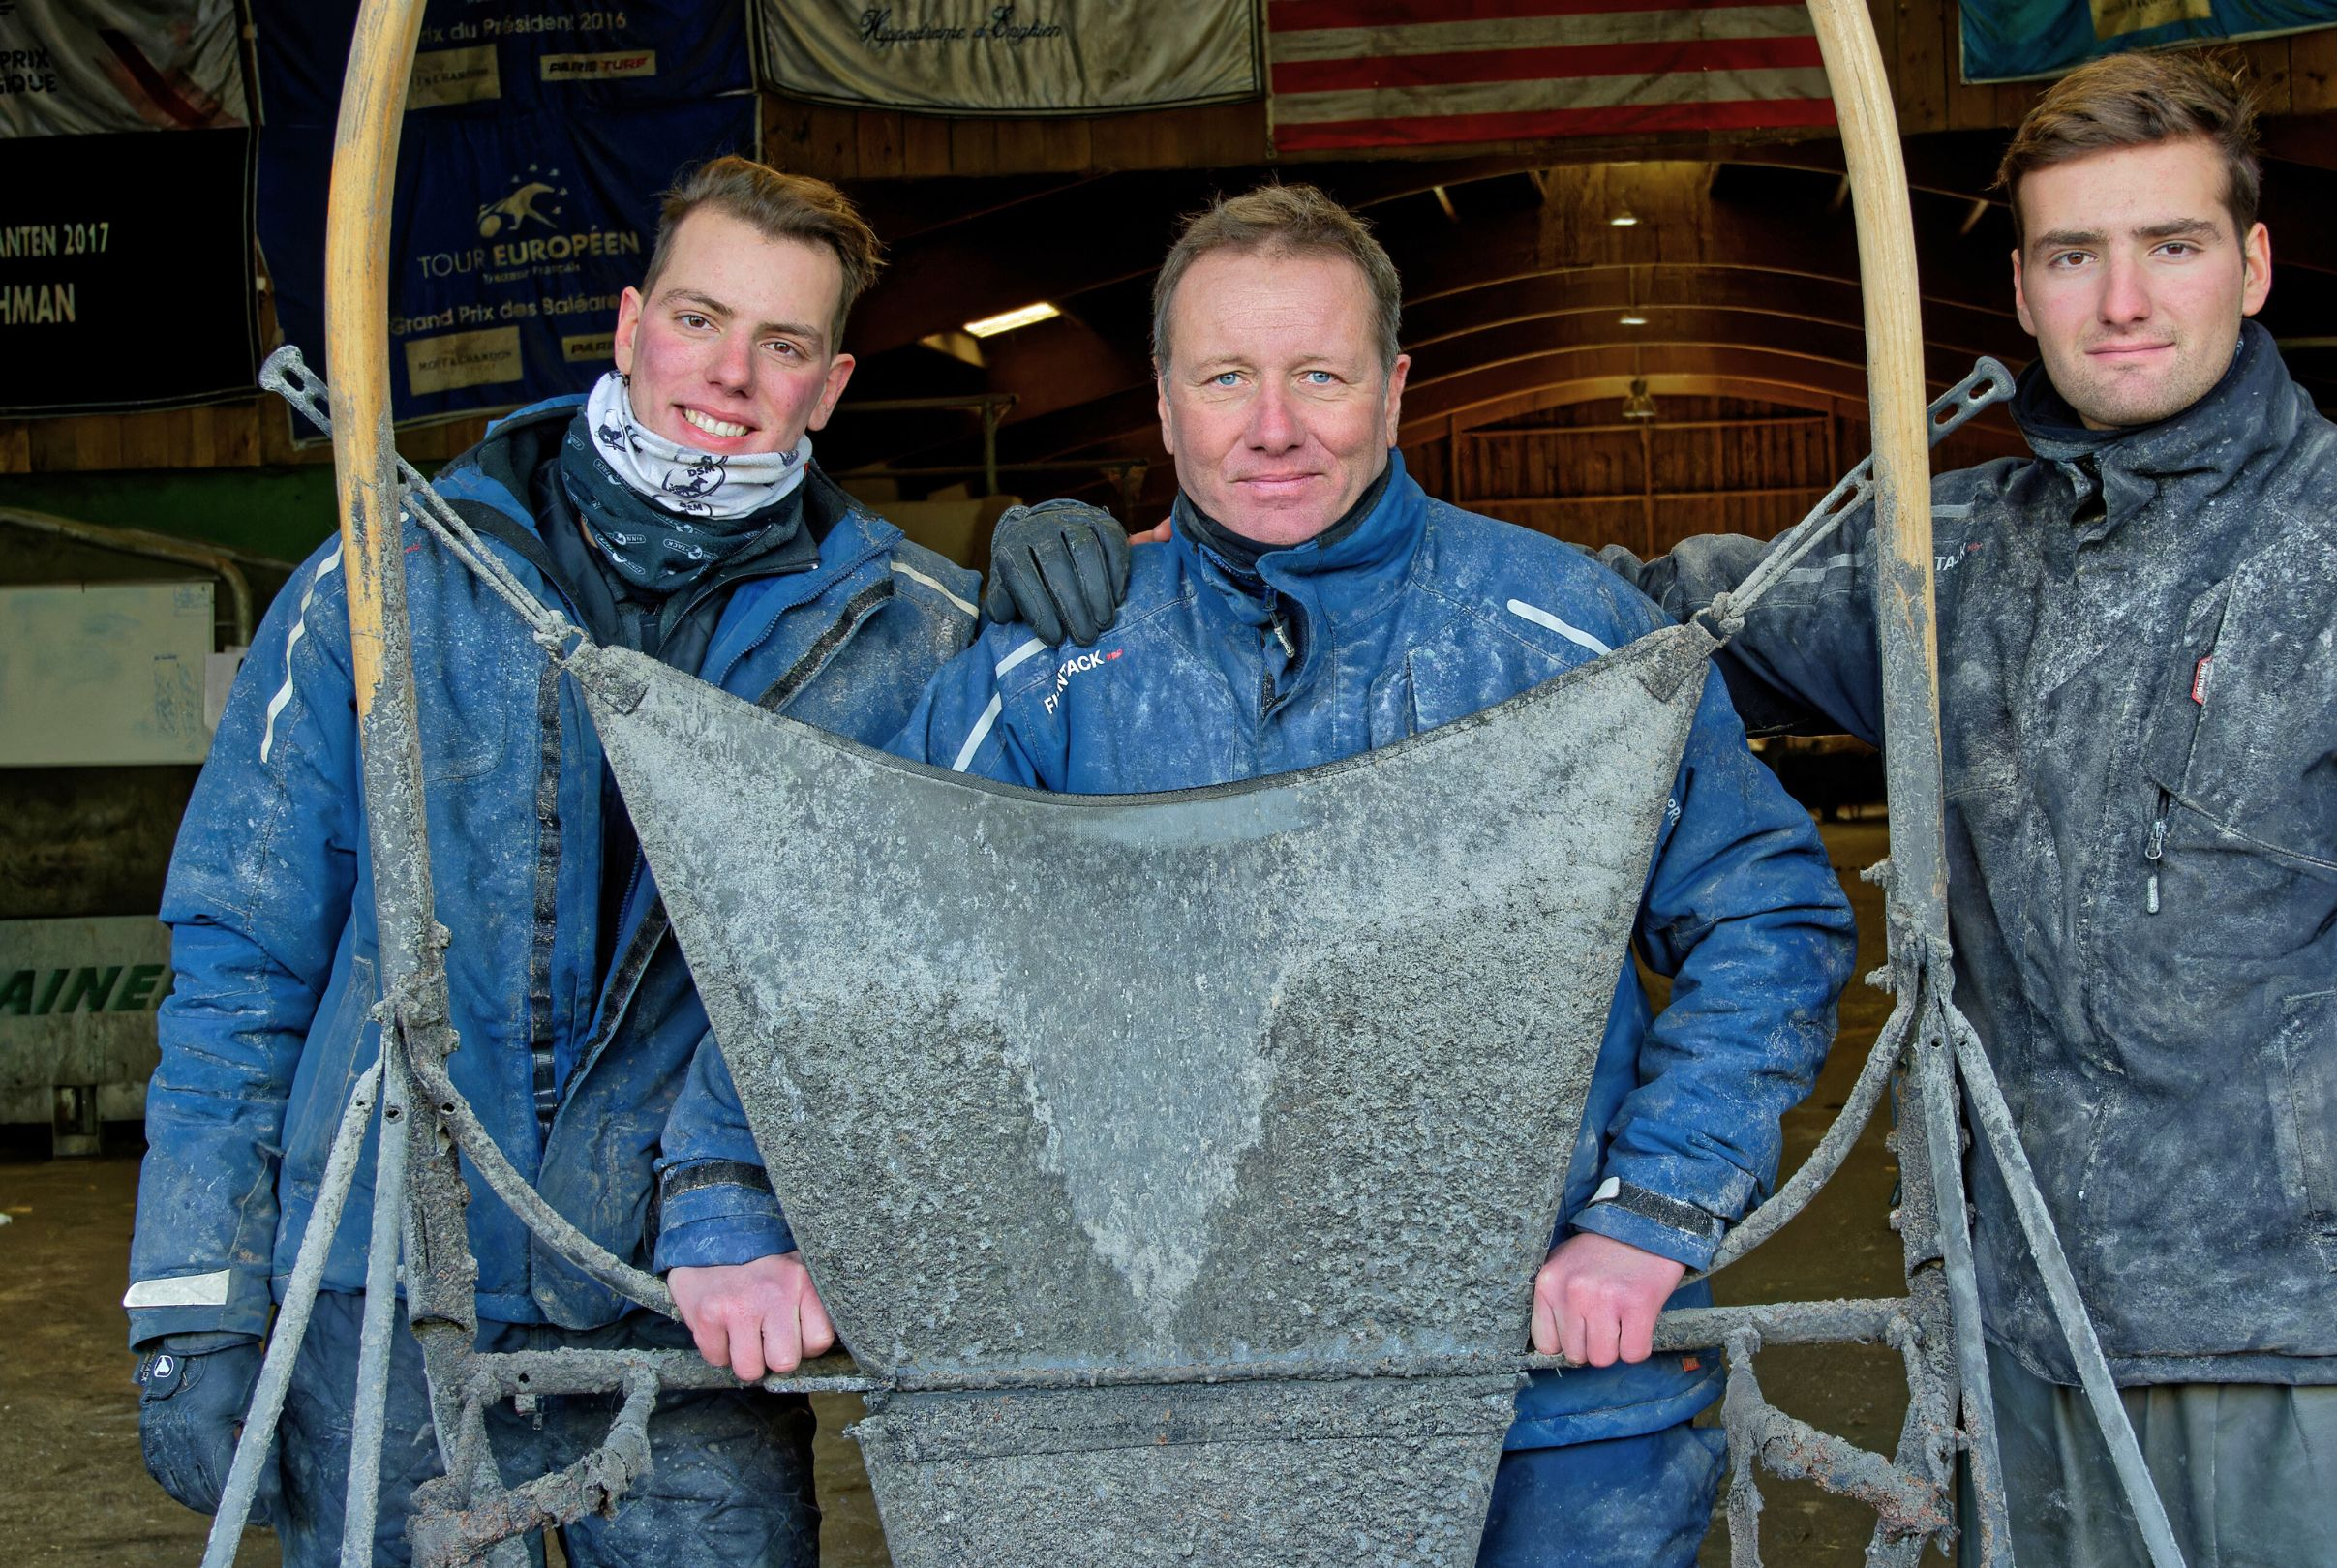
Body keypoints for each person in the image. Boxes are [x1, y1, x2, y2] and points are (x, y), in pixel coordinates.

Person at [655, 183, 1859, 1568]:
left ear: (1395, 390)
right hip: (1170, 1401)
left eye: (1319, 376)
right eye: (1226, 377)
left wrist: (1651, 1210)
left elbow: (1767, 910)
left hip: (1549, 1402)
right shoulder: (1054, 673)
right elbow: (850, 938)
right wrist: (729, 1207)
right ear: (1166, 401)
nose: (1272, 425)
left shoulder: (1565, 636)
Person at [1618, 51, 2337, 1568]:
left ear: (2249, 266)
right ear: (2026, 290)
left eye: (2169, 247)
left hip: (2326, 1356)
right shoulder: (1954, 564)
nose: (2121, 299)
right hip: (2028, 1340)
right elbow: (1643, 629)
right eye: (2073, 255)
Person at [124, 155, 1121, 1566]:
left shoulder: (911, 638)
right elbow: (243, 947)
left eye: (784, 344)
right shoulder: (392, 574)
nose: (732, 373)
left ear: (829, 388)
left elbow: (1073, 871)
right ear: (629, 325)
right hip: (386, 1283)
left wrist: (1091, 602)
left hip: (692, 1303)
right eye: (701, 320)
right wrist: (194, 1297)